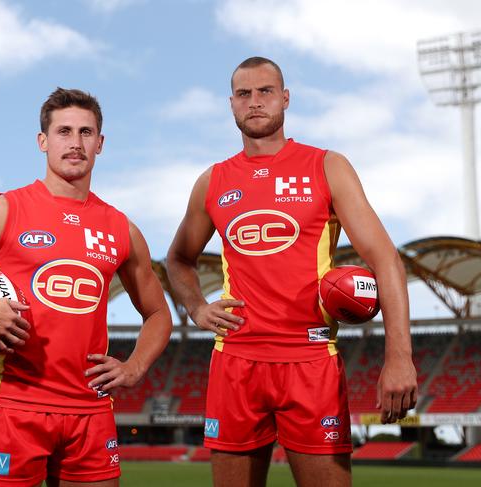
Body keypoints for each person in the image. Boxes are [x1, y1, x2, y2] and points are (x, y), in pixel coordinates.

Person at [166, 57, 418, 487]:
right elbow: (178, 259)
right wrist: (195, 307)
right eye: (244, 94)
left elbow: (385, 260)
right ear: (231, 105)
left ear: (285, 98)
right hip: (236, 362)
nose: (255, 102)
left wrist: (399, 357)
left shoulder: (326, 166)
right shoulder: (213, 181)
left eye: (266, 91)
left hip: (311, 361)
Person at [0, 88, 172, 487]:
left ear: (100, 144)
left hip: (91, 410)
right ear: (43, 141)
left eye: (86, 133)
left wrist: (134, 366)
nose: (75, 143)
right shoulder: (4, 211)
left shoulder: (121, 229)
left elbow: (157, 313)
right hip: (15, 405)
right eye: (64, 131)